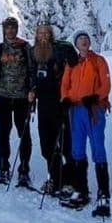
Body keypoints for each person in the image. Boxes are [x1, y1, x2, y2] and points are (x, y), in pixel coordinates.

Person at [60, 31, 112, 217]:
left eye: (86, 39)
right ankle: (81, 190)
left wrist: (97, 97)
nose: (84, 41)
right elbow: (65, 85)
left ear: (89, 42)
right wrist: (65, 99)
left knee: (98, 147)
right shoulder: (72, 63)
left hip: (94, 109)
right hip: (76, 111)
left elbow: (106, 83)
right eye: (80, 39)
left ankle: (103, 191)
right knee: (77, 150)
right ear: (76, 44)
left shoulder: (98, 61)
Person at [0, 16, 36, 187]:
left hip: (22, 97)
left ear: (17, 29)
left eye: (13, 27)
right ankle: (3, 169)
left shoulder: (25, 47)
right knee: (3, 133)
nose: (10, 30)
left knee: (24, 134)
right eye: (7, 27)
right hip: (4, 97)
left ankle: (24, 170)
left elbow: (32, 71)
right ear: (4, 30)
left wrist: (32, 91)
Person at [31, 22, 78, 197]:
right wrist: (32, 90)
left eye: (46, 32)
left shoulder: (61, 48)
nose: (43, 35)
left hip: (61, 103)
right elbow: (31, 75)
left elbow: (74, 64)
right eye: (40, 32)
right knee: (47, 146)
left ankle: (69, 181)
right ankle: (55, 178)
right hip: (43, 105)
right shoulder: (33, 52)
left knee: (66, 144)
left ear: (51, 34)